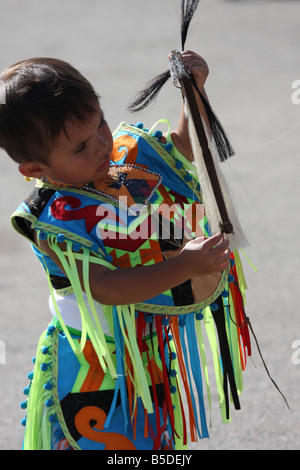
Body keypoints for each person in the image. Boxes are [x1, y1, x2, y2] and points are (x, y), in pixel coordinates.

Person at [0, 51, 251, 450]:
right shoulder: (56, 220)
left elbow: (184, 146)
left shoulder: (121, 165)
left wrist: (193, 94)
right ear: (34, 168)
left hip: (145, 353)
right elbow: (107, 287)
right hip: (92, 368)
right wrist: (184, 265)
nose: (101, 145)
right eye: (80, 148)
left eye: (100, 123)